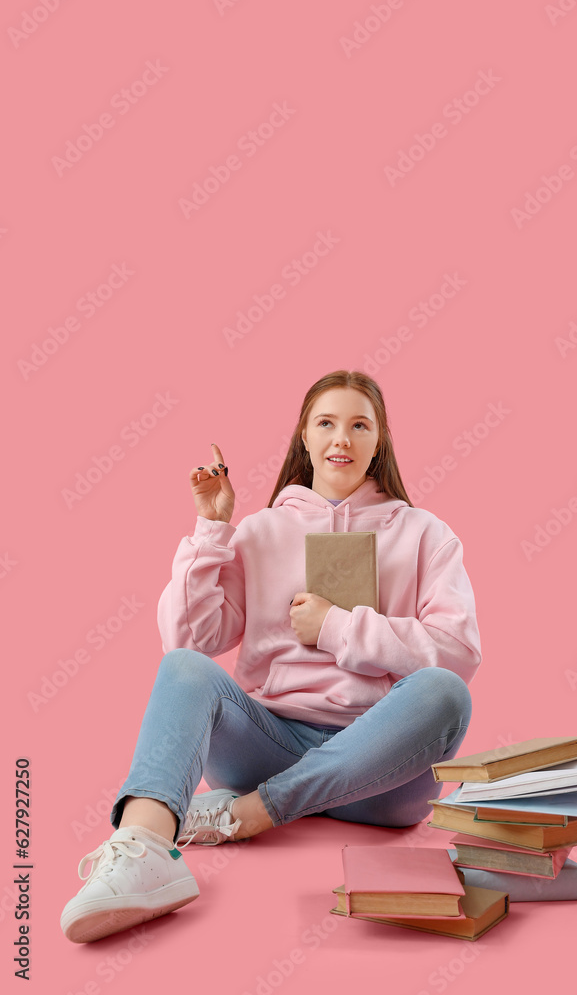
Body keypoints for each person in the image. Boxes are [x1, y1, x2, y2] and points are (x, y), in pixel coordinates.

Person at [60, 369, 482, 943]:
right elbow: (191, 640)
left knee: (445, 692)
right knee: (183, 669)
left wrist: (336, 625)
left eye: (360, 425)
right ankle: (144, 851)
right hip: (268, 746)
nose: (342, 438)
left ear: (379, 440)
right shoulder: (258, 532)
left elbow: (457, 654)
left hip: (380, 773)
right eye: (326, 423)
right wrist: (212, 530)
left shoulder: (426, 534)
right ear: (304, 438)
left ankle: (252, 813)